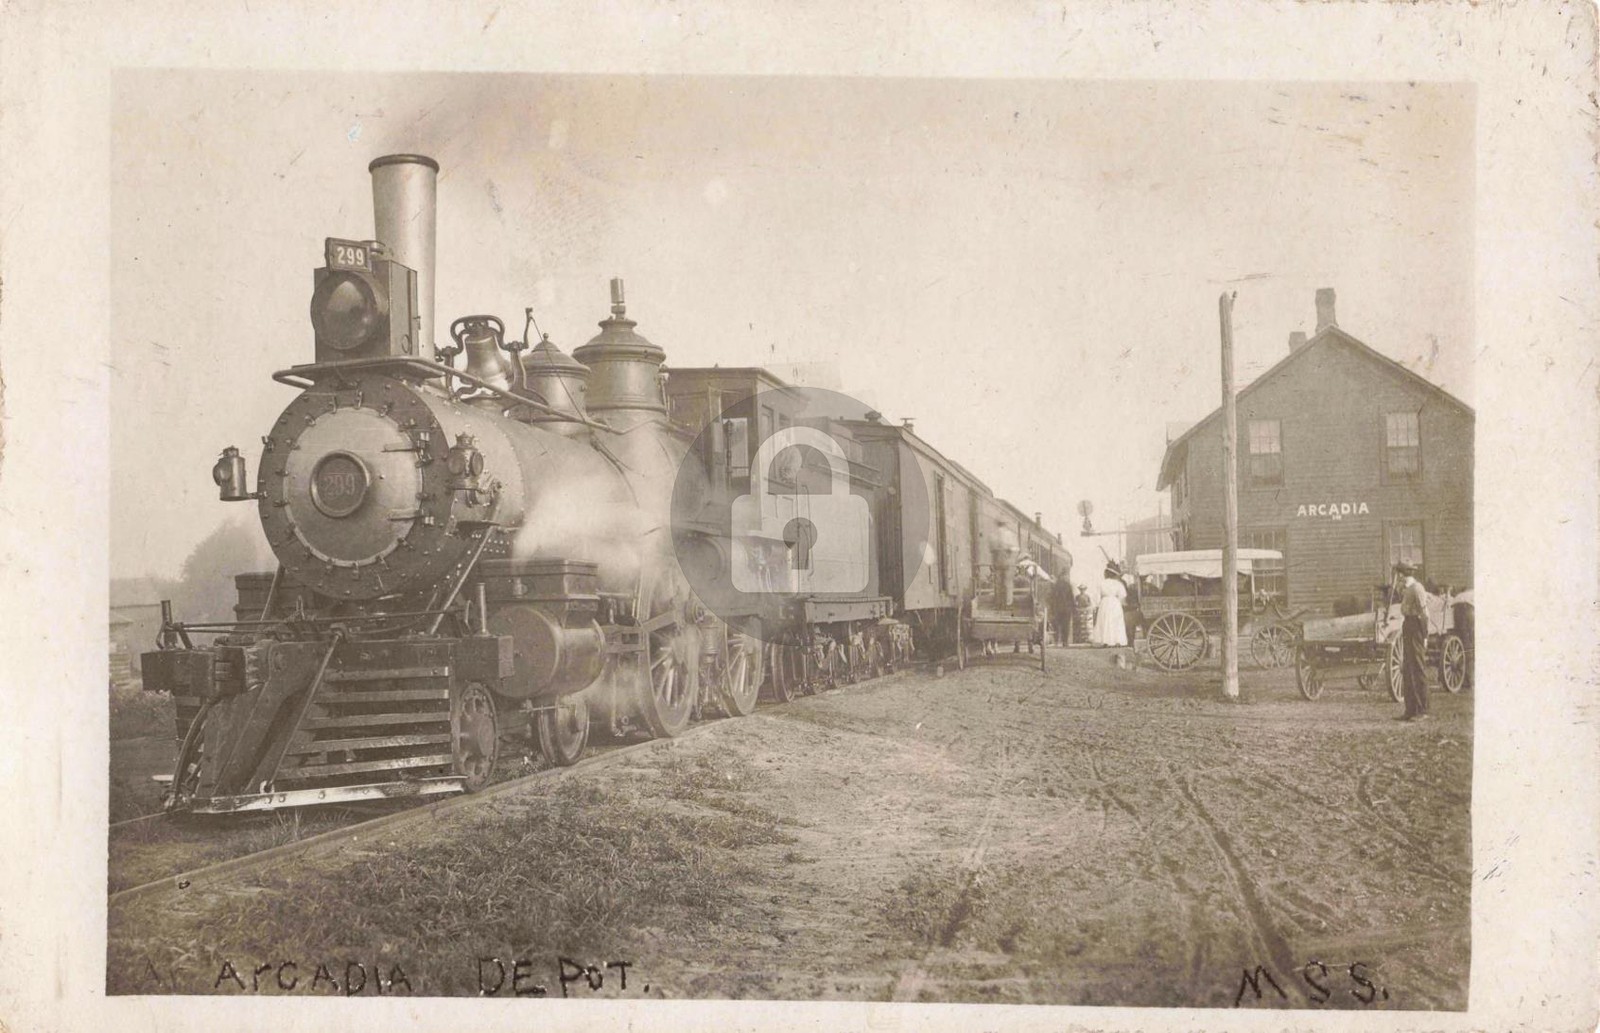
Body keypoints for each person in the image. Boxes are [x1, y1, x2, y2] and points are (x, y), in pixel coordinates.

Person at [1395, 561, 1430, 721]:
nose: (1399, 578)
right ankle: (1410, 710)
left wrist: (1424, 636)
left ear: (1403, 575)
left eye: (1400, 575)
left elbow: (1425, 614)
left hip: (1416, 626)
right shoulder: (1407, 589)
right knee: (1408, 669)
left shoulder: (1417, 588)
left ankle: (1422, 710)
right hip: (1408, 625)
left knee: (1417, 668)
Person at [1092, 563, 1128, 648]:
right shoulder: (1118, 584)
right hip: (1115, 603)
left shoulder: (1101, 583)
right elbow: (1122, 596)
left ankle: (1105, 640)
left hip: (1105, 603)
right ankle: (1117, 640)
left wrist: (1097, 605)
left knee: (1105, 621)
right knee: (1115, 621)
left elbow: (1097, 596)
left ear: (1107, 574)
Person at [1050, 576, 1076, 645]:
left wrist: (1052, 608)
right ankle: (1065, 641)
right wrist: (1073, 608)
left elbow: (1052, 598)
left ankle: (1056, 641)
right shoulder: (1068, 585)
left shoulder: (1056, 586)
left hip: (1058, 608)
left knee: (1057, 624)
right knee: (1066, 625)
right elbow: (1071, 597)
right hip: (1067, 608)